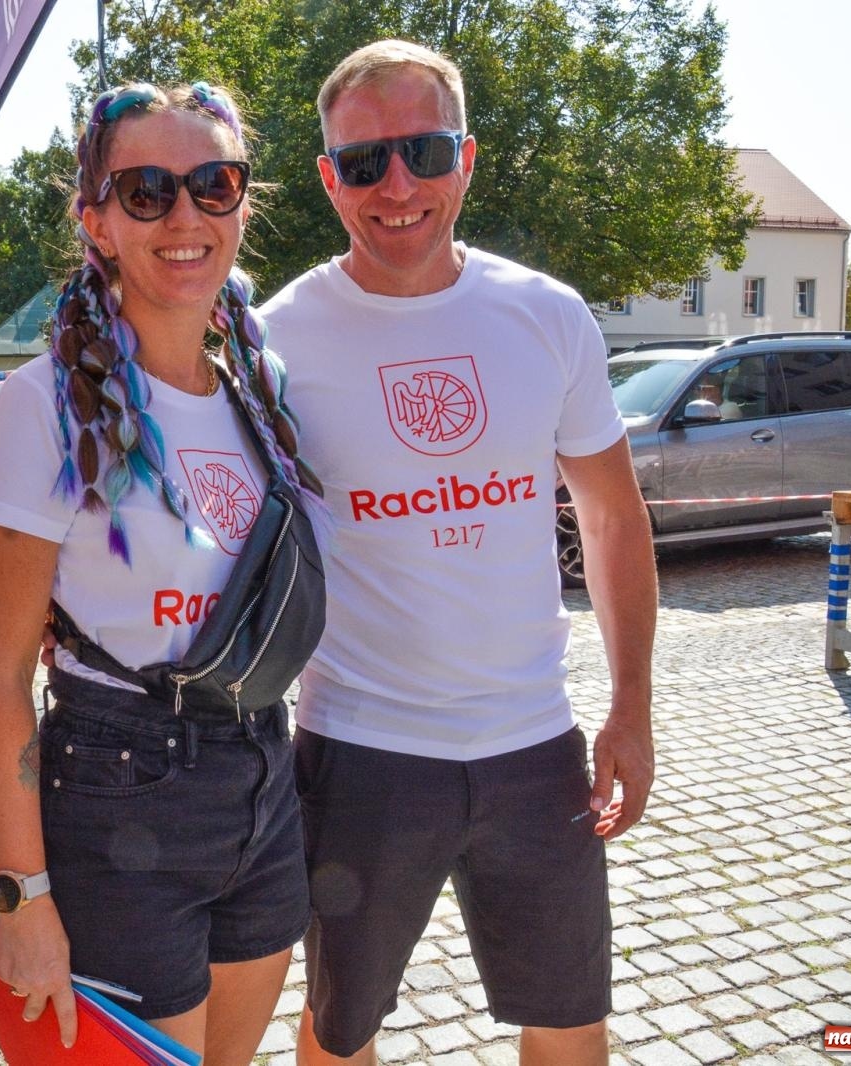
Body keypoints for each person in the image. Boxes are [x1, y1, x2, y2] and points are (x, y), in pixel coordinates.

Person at [257, 41, 658, 1066]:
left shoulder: (547, 316)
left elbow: (611, 518)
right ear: (326, 179)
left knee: (568, 1017)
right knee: (338, 1030)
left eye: (423, 150)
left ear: (466, 159)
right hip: (359, 747)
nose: (396, 186)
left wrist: (631, 706)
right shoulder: (276, 341)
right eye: (362, 162)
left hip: (533, 744)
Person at [0, 83, 323, 1064]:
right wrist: (20, 894)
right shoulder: (44, 407)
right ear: (97, 220)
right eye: (146, 190)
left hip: (261, 774)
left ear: (243, 201)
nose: (184, 216)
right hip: (121, 790)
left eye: (214, 183)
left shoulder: (264, 388)